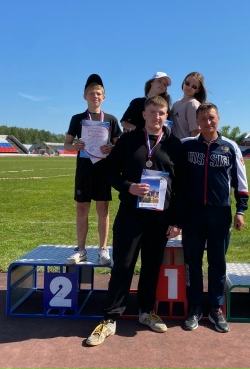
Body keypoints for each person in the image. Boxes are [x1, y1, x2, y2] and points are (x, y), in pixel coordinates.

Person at [86, 96, 185, 346]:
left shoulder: (175, 145)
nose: (156, 117)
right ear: (144, 114)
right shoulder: (128, 141)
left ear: (166, 116)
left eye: (161, 113)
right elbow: (109, 172)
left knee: (152, 266)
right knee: (123, 264)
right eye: (152, 112)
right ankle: (110, 317)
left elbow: (181, 186)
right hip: (131, 213)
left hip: (160, 217)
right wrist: (128, 186)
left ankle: (146, 311)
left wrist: (176, 221)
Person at [180, 102, 249, 333]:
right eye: (203, 119)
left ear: (218, 118)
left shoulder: (230, 147)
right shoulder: (187, 145)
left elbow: (241, 181)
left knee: (217, 261)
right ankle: (195, 307)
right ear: (197, 122)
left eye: (211, 117)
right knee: (192, 262)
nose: (207, 122)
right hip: (192, 214)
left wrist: (241, 210)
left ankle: (215, 308)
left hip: (220, 213)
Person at [64, 74, 122, 266]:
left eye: (98, 93)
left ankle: (103, 249)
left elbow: (119, 146)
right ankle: (80, 249)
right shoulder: (77, 119)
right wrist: (75, 146)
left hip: (103, 170)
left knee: (103, 209)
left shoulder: (111, 119)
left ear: (103, 97)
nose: (95, 96)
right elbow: (67, 144)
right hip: (84, 170)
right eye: (91, 93)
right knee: (82, 208)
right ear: (85, 96)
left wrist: (112, 148)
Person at [170, 71, 207, 139]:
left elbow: (195, 132)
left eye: (194, 86)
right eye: (187, 83)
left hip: (184, 144)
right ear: (183, 82)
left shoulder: (193, 104)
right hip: (172, 144)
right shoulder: (175, 104)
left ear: (198, 90)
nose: (189, 87)